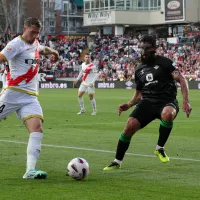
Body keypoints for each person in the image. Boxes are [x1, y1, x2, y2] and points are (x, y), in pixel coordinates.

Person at [103, 35, 192, 170]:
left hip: (167, 101)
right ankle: (117, 161)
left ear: (154, 49)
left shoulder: (165, 63)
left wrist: (186, 102)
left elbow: (182, 80)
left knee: (168, 114)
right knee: (129, 126)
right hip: (148, 102)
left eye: (147, 48)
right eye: (142, 48)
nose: (144, 51)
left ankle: (159, 148)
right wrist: (128, 104)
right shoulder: (139, 70)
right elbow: (139, 94)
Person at [0, 17, 59, 179]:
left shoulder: (35, 43)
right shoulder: (15, 44)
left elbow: (41, 48)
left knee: (37, 129)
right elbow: (1, 57)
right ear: (25, 28)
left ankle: (30, 171)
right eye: (32, 32)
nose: (35, 35)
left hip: (30, 98)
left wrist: (53, 52)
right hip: (13, 93)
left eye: (37, 33)